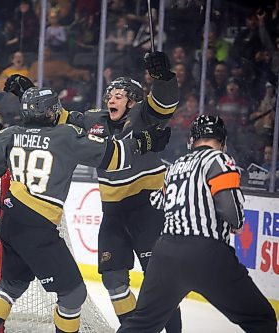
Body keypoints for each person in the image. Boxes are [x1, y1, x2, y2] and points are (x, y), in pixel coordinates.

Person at [4, 51, 182, 332]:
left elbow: (165, 102)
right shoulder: (93, 120)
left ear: (133, 101)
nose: (112, 98)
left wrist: (163, 78)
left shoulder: (145, 116)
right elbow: (57, 117)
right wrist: (30, 94)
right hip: (112, 213)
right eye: (110, 94)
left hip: (147, 209)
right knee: (113, 281)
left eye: (120, 95)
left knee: (160, 279)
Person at [117, 115, 277, 333]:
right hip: (206, 253)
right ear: (223, 141)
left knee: (141, 324)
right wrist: (237, 222)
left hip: (166, 254)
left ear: (191, 140)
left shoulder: (175, 166)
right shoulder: (220, 160)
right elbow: (230, 209)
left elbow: (157, 201)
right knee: (262, 319)